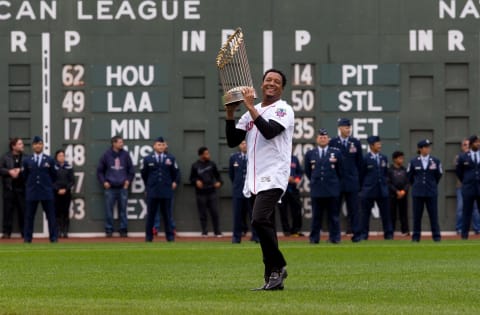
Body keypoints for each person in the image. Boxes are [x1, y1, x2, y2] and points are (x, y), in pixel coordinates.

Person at [225, 69, 294, 291]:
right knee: (264, 226)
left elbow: (270, 131)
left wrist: (251, 107)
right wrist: (230, 113)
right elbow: (232, 139)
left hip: (274, 175)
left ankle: (279, 265)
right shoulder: (249, 114)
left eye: (276, 81)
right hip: (254, 178)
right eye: (268, 80)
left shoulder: (283, 109)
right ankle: (272, 276)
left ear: (282, 87)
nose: (271, 83)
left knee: (258, 219)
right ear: (262, 84)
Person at [304, 128, 343, 244]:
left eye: (325, 137)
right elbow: (308, 171)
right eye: (320, 137)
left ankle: (335, 238)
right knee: (316, 216)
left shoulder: (336, 153)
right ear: (317, 139)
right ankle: (314, 238)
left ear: (328, 139)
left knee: (334, 216)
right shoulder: (310, 154)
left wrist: (335, 184)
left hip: (332, 189)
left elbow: (340, 171)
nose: (322, 139)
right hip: (317, 189)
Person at [329, 118, 363, 242]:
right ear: (339, 128)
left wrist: (359, 180)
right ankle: (335, 236)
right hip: (337, 182)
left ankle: (357, 235)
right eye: (345, 127)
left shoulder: (355, 143)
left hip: (352, 181)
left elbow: (360, 163)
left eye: (349, 127)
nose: (348, 129)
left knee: (354, 210)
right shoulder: (333, 142)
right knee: (334, 210)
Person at [96, 135, 134, 237]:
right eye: (120, 142)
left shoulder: (126, 155)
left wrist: (128, 181)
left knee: (123, 210)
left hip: (122, 187)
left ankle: (123, 230)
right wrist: (104, 182)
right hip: (110, 188)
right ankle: (109, 230)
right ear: (114, 143)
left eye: (122, 142)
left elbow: (131, 170)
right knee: (108, 210)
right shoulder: (106, 155)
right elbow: (99, 171)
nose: (122, 144)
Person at [141, 137, 177, 242]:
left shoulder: (170, 158)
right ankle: (149, 237)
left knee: (167, 215)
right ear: (154, 146)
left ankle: (170, 237)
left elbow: (174, 173)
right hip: (153, 191)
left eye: (162, 145)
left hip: (166, 191)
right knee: (150, 215)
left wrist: (171, 183)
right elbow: (144, 174)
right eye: (158, 145)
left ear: (165, 146)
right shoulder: (148, 159)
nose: (161, 147)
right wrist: (149, 186)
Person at [23, 136, 57, 243]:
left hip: (46, 192)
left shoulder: (50, 159)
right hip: (32, 192)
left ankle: (53, 238)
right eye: (36, 144)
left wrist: (47, 185)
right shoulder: (27, 160)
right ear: (33, 146)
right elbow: (24, 176)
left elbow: (54, 175)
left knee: (51, 216)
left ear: (43, 145)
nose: (38, 146)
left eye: (40, 143)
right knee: (29, 217)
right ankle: (27, 239)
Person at [407, 139, 443, 242]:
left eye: (428, 147)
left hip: (431, 192)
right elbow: (409, 176)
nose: (428, 149)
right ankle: (416, 237)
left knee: (433, 215)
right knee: (417, 216)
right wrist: (417, 185)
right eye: (425, 147)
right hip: (417, 192)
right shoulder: (413, 161)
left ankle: (436, 236)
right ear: (420, 149)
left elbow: (438, 175)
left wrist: (431, 184)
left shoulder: (435, 161)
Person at [359, 136, 393, 240]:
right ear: (371, 146)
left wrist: (385, 184)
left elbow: (387, 173)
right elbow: (361, 174)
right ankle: (364, 235)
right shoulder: (365, 159)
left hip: (382, 190)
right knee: (365, 215)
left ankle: (388, 234)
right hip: (368, 190)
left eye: (380, 143)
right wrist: (363, 188)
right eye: (377, 144)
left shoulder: (384, 158)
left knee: (386, 214)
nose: (380, 145)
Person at [189, 146, 223, 237]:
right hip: (201, 193)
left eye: (208, 153)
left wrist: (219, 182)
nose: (208, 155)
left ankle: (217, 232)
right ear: (201, 155)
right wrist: (196, 181)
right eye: (206, 153)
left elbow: (218, 176)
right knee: (202, 213)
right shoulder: (195, 165)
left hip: (212, 192)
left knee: (214, 212)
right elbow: (191, 179)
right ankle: (204, 232)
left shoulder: (212, 164)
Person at [229, 140, 258, 243]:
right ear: (239, 145)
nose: (244, 145)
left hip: (251, 191)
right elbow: (231, 175)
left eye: (246, 143)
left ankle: (256, 236)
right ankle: (236, 237)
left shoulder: (253, 156)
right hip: (238, 191)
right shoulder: (234, 158)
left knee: (253, 215)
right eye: (242, 143)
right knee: (237, 215)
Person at [0, 138, 26, 239]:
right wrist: (9, 172)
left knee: (23, 211)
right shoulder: (5, 157)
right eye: (20, 144)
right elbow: (0, 169)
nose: (22, 145)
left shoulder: (26, 157)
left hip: (22, 189)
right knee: (7, 212)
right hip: (9, 189)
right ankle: (6, 232)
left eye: (22, 143)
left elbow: (30, 169)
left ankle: (25, 232)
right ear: (13, 146)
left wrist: (20, 170)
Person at [455, 135, 480, 239]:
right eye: (476, 142)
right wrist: (466, 181)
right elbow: (459, 172)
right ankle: (464, 235)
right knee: (466, 211)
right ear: (471, 144)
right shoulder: (463, 156)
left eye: (479, 142)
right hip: (468, 188)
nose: (478, 144)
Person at [277, 154, 304, 237]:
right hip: (282, 189)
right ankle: (286, 231)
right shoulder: (278, 158)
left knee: (296, 210)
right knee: (283, 211)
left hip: (293, 188)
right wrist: (285, 179)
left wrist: (295, 179)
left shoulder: (294, 158)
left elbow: (300, 172)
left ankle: (296, 230)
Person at [387, 151, 410, 236]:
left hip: (403, 194)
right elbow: (388, 183)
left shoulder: (405, 170)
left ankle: (405, 230)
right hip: (393, 195)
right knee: (391, 213)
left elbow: (408, 182)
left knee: (403, 213)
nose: (402, 160)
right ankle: (390, 231)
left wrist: (403, 191)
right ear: (394, 159)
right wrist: (396, 191)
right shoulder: (389, 170)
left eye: (402, 158)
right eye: (400, 158)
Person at [53, 149, 74, 238]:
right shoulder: (53, 167)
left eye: (63, 155)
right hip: (56, 193)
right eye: (60, 156)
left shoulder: (69, 167)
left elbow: (72, 181)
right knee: (56, 212)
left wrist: (65, 189)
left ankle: (65, 231)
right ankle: (57, 231)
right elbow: (51, 180)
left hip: (66, 193)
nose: (61, 157)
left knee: (65, 212)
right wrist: (57, 189)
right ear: (56, 157)